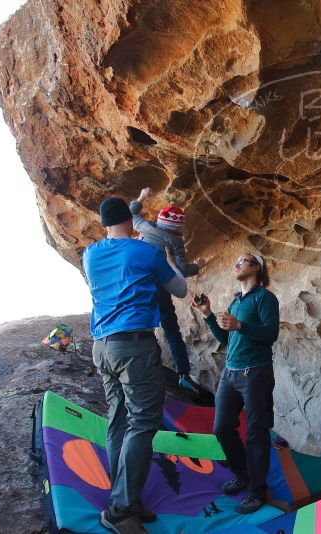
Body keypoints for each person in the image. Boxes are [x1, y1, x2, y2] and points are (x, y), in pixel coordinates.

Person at [83, 197, 188, 534]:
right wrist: (165, 254)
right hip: (133, 346)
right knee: (143, 423)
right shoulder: (145, 252)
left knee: (118, 420)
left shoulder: (90, 254)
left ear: (103, 224)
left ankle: (125, 497)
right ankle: (121, 509)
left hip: (102, 347)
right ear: (129, 219)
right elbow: (180, 288)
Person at [191, 253, 279, 514]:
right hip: (231, 374)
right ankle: (243, 475)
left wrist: (241, 325)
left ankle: (258, 490)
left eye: (243, 261)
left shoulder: (265, 298)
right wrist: (207, 314)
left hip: (255, 373)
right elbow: (226, 338)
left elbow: (271, 334)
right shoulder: (236, 301)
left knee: (256, 433)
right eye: (236, 261)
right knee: (221, 428)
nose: (236, 263)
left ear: (256, 268)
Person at [129, 187, 204, 391]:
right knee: (171, 331)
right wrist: (199, 265)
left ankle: (146, 369)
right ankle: (183, 374)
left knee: (143, 328)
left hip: (137, 286)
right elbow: (182, 268)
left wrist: (142, 196)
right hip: (159, 289)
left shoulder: (145, 227)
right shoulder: (175, 241)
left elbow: (131, 215)